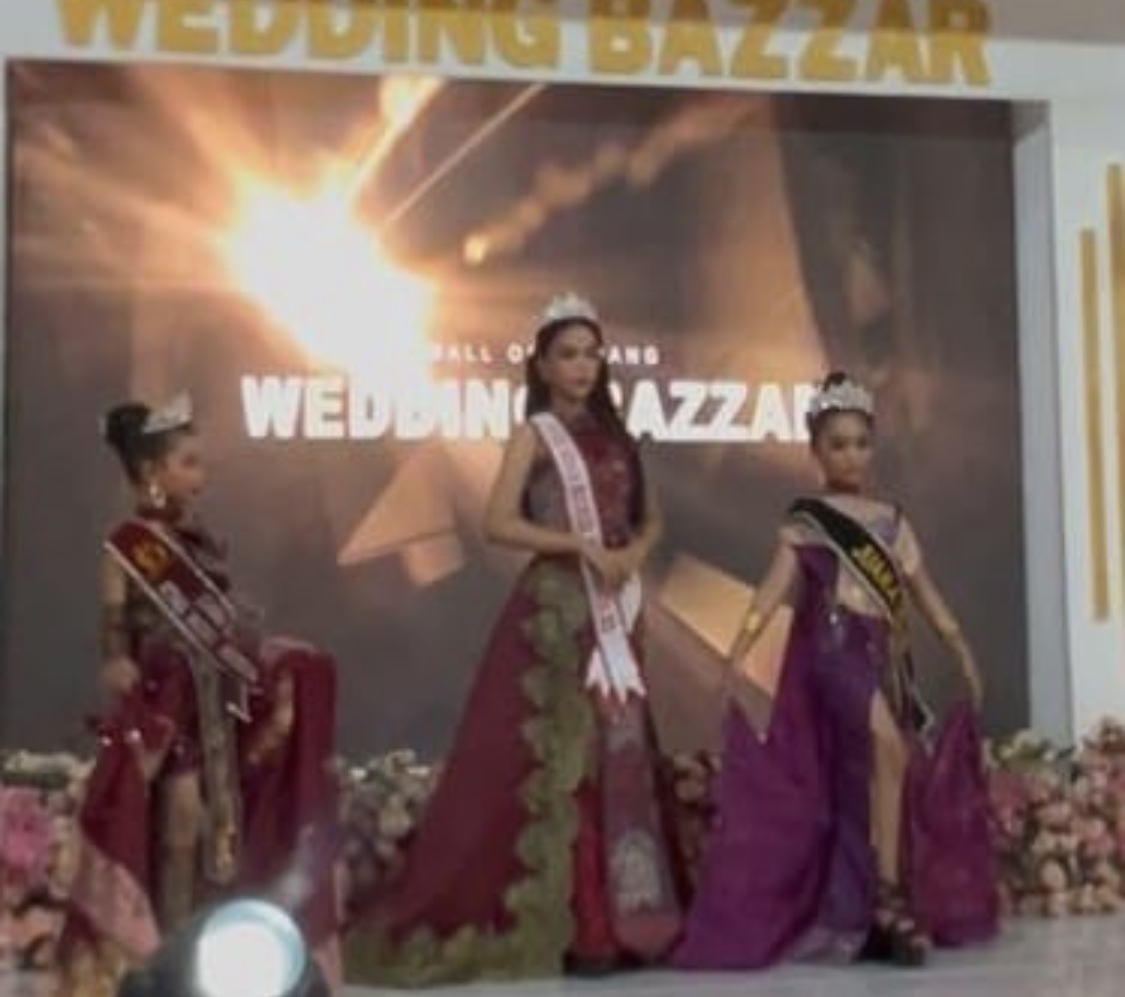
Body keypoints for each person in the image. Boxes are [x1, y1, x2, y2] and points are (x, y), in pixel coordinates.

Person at [348, 293, 683, 986]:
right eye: (568, 355)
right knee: (563, 764)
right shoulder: (535, 435)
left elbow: (651, 518)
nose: (582, 366)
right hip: (557, 611)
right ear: (542, 365)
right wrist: (577, 545)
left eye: (591, 354)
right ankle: (583, 923)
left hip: (616, 608)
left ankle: (631, 916)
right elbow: (497, 523)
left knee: (617, 759)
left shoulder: (620, 437)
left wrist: (630, 553)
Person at [675, 372, 997, 972]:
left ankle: (869, 901)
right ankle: (887, 893)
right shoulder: (808, 518)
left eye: (860, 443)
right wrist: (737, 651)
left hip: (880, 654)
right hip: (831, 650)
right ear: (816, 450)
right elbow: (772, 589)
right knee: (889, 749)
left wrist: (961, 651)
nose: (851, 455)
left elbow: (926, 596)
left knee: (867, 774)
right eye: (838, 444)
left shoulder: (892, 521)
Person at [58, 394, 342, 997]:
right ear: (152, 470)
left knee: (216, 817)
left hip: (213, 695)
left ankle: (198, 938)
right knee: (179, 816)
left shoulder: (202, 540)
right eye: (188, 463)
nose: (200, 476)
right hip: (164, 698)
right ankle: (162, 944)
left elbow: (222, 615)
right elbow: (114, 615)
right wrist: (116, 656)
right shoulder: (130, 543)